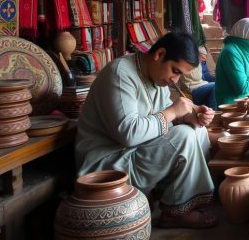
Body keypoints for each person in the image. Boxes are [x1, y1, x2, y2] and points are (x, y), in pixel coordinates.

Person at [75, 32, 218, 229]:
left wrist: (190, 117)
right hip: (108, 162)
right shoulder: (120, 74)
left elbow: (165, 110)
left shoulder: (155, 75)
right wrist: (172, 112)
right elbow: (128, 133)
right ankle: (174, 213)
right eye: (175, 71)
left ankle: (176, 200)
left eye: (180, 75)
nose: (175, 80)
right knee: (183, 136)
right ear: (159, 54)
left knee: (197, 130)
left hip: (134, 153)